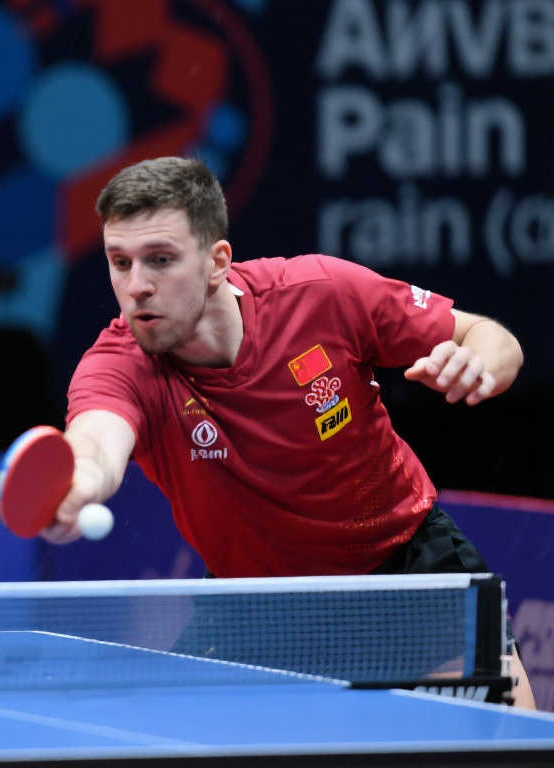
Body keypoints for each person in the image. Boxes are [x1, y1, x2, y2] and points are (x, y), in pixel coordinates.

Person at [48, 156, 535, 707]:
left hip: (406, 574)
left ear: (217, 262)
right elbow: (96, 444)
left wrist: (479, 363)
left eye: (160, 260)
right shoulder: (118, 366)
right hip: (257, 607)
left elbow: (490, 337)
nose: (137, 286)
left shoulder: (321, 293)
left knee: (509, 739)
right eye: (120, 262)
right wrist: (77, 483)